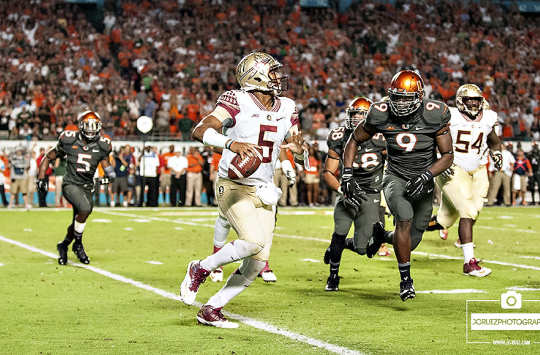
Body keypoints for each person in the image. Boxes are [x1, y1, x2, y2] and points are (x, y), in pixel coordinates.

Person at [180, 52, 307, 328]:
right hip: (234, 184)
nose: (278, 77)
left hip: (264, 189)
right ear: (256, 75)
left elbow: (297, 149)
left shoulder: (287, 106)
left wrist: (299, 153)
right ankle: (200, 268)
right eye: (272, 72)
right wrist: (230, 144)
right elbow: (200, 130)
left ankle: (212, 308)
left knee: (258, 263)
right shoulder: (236, 99)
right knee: (252, 241)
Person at [341, 70, 453, 301]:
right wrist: (348, 174)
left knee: (413, 240)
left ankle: (383, 235)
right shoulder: (380, 114)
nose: (400, 104)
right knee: (404, 216)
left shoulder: (435, 114)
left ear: (420, 96)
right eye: (396, 97)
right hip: (395, 176)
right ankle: (406, 281)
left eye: (406, 98)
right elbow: (354, 139)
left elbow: (448, 155)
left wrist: (425, 176)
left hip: (423, 178)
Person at [427, 84, 502, 277]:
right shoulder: (449, 115)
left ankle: (412, 227)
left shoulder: (488, 117)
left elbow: (493, 141)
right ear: (461, 101)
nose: (473, 103)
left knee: (452, 217)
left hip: (478, 170)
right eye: (469, 99)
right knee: (467, 210)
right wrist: (438, 161)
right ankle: (469, 262)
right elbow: (430, 139)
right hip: (453, 167)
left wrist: (497, 153)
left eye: (476, 99)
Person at [322, 97, 387, 291]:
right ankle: (333, 276)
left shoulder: (381, 137)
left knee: (362, 248)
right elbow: (327, 172)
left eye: (361, 115)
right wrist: (342, 189)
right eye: (354, 114)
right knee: (340, 229)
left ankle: (338, 248)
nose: (356, 118)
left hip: (371, 193)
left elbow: (394, 163)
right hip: (349, 192)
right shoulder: (339, 136)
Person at [36, 111, 115, 265]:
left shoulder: (103, 144)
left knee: (77, 221)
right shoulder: (69, 139)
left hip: (87, 187)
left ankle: (64, 245)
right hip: (70, 184)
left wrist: (110, 176)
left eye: (94, 126)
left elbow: (107, 165)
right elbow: (49, 157)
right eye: (88, 126)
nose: (91, 129)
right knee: (85, 209)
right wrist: (41, 178)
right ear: (81, 126)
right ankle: (78, 245)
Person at [209, 148, 295, 284]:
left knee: (268, 220)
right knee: (225, 218)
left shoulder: (277, 126)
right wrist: (236, 149)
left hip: (263, 176)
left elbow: (280, 141)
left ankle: (262, 262)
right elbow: (215, 142)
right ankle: (215, 261)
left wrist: (286, 163)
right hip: (237, 174)